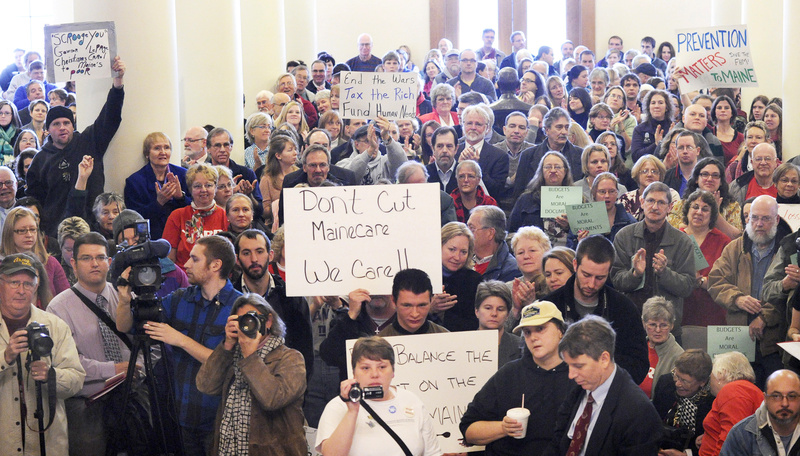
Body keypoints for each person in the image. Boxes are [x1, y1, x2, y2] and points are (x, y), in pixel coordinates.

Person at [117, 235, 243, 455]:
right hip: (181, 415)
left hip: (221, 418)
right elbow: (127, 326)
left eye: (194, 259)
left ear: (215, 265)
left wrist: (180, 340)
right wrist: (124, 300)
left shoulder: (240, 307)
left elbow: (230, 365)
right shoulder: (179, 299)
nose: (185, 264)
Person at [46, 232, 132, 455]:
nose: (95, 263)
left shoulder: (126, 296)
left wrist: (135, 368)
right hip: (87, 404)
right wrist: (115, 370)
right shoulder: (58, 308)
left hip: (131, 397)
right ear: (73, 264)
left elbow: (149, 344)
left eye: (101, 257)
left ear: (109, 262)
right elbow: (67, 362)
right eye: (86, 258)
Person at [26, 56, 126, 237]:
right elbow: (35, 202)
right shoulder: (40, 160)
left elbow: (109, 117)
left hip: (93, 229)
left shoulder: (89, 141)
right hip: (56, 234)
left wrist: (118, 84)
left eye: (66, 123)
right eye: (56, 124)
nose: (62, 127)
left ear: (73, 126)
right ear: (48, 129)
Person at [196, 293, 307, 456]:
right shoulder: (232, 355)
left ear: (268, 321)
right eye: (241, 320)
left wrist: (250, 356)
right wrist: (226, 345)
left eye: (252, 318)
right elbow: (205, 385)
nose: (248, 325)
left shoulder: (290, 358)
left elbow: (273, 399)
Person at [0, 253, 85, 455]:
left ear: (37, 287)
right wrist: (6, 358)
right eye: (14, 282)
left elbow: (76, 379)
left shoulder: (55, 325)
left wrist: (51, 376)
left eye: (28, 284)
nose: (21, 291)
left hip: (46, 443)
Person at [460, 301, 571, 455]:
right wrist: (503, 428)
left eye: (540, 329)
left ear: (561, 331)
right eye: (527, 332)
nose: (533, 337)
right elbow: (468, 430)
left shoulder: (578, 375)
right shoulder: (510, 374)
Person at [548, 314, 662, 455]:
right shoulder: (578, 387)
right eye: (569, 365)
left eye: (578, 366)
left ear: (604, 359)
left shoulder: (638, 412)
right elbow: (557, 442)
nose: (571, 375)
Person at [709, 195, 789, 387]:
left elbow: (790, 295)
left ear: (776, 219)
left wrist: (765, 318)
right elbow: (715, 281)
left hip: (774, 343)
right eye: (754, 218)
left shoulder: (787, 250)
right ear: (747, 219)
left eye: (766, 219)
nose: (759, 224)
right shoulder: (734, 248)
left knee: (772, 393)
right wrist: (737, 298)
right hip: (738, 340)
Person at [316, 336, 443, 456]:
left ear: (393, 371)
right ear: (354, 372)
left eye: (382, 367)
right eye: (365, 368)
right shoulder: (338, 406)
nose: (375, 374)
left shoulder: (411, 401)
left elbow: (432, 453)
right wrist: (352, 411)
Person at [612, 182, 696, 332]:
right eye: (650, 201)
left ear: (670, 208)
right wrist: (635, 274)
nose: (655, 207)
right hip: (631, 323)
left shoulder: (683, 242)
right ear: (642, 203)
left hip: (666, 327)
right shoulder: (624, 236)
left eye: (661, 202)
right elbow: (616, 280)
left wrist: (665, 273)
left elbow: (688, 287)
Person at [233, 229, 312, 377]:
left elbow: (305, 351)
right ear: (237, 259)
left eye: (259, 251)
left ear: (270, 255)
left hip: (285, 383)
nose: (254, 259)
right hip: (240, 383)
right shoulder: (230, 298)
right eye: (246, 253)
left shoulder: (292, 297)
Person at [678, 190, 732, 326]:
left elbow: (729, 281)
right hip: (679, 311)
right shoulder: (676, 238)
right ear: (687, 210)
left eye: (705, 209)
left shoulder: (723, 241)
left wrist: (701, 281)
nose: (699, 212)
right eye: (695, 207)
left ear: (712, 214)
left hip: (712, 313)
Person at [124, 132, 190, 240]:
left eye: (166, 148)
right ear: (147, 154)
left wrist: (181, 197)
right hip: (153, 239)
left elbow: (195, 207)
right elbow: (135, 219)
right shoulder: (135, 182)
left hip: (182, 236)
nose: (163, 152)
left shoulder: (184, 175)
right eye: (157, 148)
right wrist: (158, 203)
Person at [720, 370, 800, 456]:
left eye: (792, 396)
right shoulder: (742, 434)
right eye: (776, 396)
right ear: (765, 399)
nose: (785, 403)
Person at [699, 351, 764, 456]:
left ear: (721, 374)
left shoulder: (733, 392)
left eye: (711, 377)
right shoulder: (743, 390)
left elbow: (731, 441)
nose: (709, 382)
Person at [163, 163, 227, 268]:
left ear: (215, 188)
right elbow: (168, 260)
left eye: (208, 185)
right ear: (190, 190)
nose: (203, 190)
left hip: (217, 278)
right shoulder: (177, 216)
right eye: (197, 186)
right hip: (185, 279)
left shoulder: (225, 216)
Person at [652, 349, 714, 455]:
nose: (678, 384)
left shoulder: (711, 402)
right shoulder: (665, 383)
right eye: (677, 376)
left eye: (684, 381)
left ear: (702, 382)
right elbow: (652, 422)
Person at [513, 107, 583, 201]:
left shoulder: (580, 155)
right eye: (559, 127)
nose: (564, 132)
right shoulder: (528, 155)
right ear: (547, 130)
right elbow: (519, 192)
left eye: (566, 127)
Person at [1, 206, 69, 299]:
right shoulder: (2, 264)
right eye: (22, 231)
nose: (29, 235)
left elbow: (66, 299)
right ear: (9, 233)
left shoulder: (50, 262)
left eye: (33, 229)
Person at [667, 157, 743, 239]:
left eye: (715, 175)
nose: (710, 179)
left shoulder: (732, 206)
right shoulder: (681, 205)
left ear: (721, 181)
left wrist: (716, 214)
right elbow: (671, 231)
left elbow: (737, 237)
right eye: (705, 174)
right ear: (696, 179)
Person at [508, 151, 574, 243]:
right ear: (541, 171)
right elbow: (511, 231)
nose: (553, 170)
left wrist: (569, 226)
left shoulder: (577, 198)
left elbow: (585, 234)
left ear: (565, 171)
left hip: (569, 253)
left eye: (558, 167)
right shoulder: (526, 199)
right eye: (548, 167)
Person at [432, 222, 483, 332]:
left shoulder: (475, 281)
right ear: (439, 246)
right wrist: (429, 309)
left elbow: (476, 323)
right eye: (452, 249)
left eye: (463, 252)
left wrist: (444, 315)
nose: (457, 257)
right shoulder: (422, 276)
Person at [379, 268, 449, 337]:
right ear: (394, 301)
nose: (414, 314)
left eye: (422, 305)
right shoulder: (379, 344)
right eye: (407, 305)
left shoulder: (447, 339)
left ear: (431, 300)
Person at [638, 296, 683, 399]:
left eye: (663, 325)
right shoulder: (636, 348)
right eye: (652, 324)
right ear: (644, 324)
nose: (658, 330)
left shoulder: (679, 357)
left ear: (672, 325)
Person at [468, 205, 521, 282]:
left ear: (490, 233)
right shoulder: (461, 261)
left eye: (472, 228)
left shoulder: (511, 272)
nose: (466, 233)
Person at [630, 89, 674, 162]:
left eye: (660, 103)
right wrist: (656, 144)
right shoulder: (640, 129)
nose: (656, 106)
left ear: (667, 107)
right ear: (648, 107)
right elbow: (635, 156)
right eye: (653, 103)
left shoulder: (673, 128)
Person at [57, 216, 90, 286]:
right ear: (61, 247)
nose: (74, 254)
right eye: (69, 250)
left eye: (78, 249)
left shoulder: (96, 265)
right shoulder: (53, 267)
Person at [426, 126, 459, 194]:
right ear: (433, 148)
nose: (444, 150)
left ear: (456, 149)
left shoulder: (465, 174)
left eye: (449, 146)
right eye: (440, 146)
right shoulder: (424, 174)